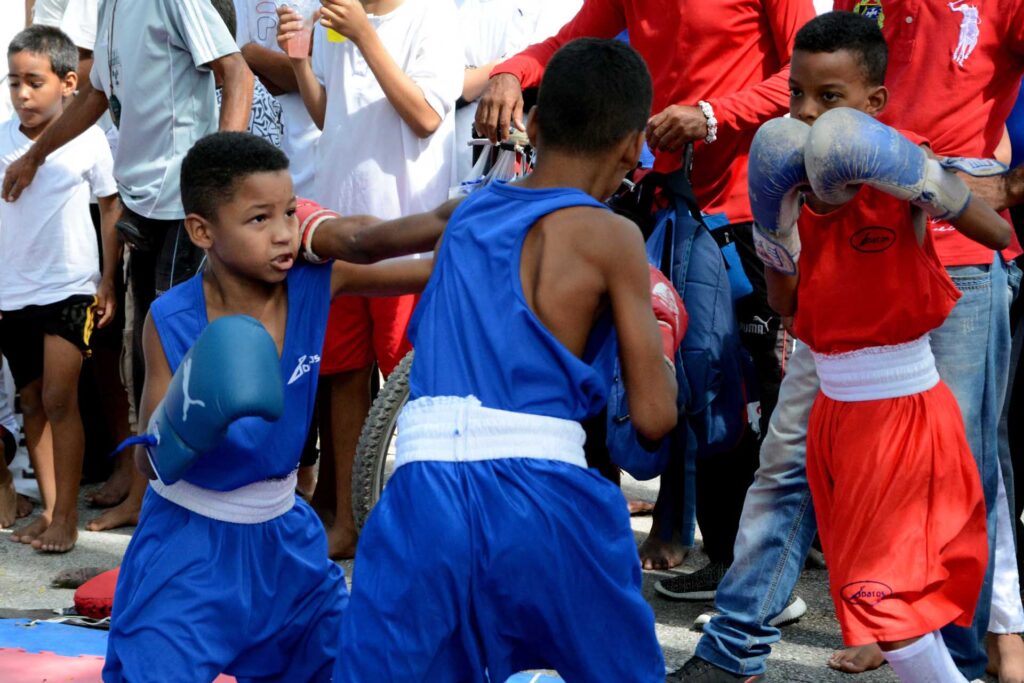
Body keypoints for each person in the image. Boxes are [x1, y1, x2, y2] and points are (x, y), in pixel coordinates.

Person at [681, 7, 1024, 681]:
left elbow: (988, 230)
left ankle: (963, 656)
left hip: (908, 383)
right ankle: (734, 647)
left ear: (873, 102)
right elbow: (789, 305)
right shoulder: (796, 161)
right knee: (827, 531)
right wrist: (779, 232)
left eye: (827, 99)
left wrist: (970, 184)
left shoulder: (902, 157)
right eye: (797, 97)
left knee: (916, 563)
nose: (807, 114)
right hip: (839, 406)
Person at [326, 38, 682, 681]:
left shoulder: (468, 213)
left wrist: (326, 258)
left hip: (421, 490)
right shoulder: (615, 237)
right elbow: (653, 419)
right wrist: (661, 349)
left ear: (534, 125)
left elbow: (369, 242)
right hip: (543, 494)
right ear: (634, 148)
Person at [477, 0, 816, 576]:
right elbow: (568, 43)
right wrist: (510, 72)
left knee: (729, 389)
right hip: (656, 199)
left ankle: (742, 571)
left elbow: (803, 74)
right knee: (625, 366)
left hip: (742, 205)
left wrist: (713, 115)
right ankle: (598, 545)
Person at [105, 131, 435, 682]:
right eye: (259, 220)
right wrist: (190, 417)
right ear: (202, 231)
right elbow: (150, 463)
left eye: (288, 212)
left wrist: (481, 224)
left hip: (286, 541)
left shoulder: (313, 282)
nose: (284, 234)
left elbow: (423, 266)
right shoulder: (172, 318)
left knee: (349, 665)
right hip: (190, 543)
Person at [1, 0, 255, 533]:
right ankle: (147, 497)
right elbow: (95, 95)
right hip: (146, 206)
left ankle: (189, 503)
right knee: (146, 359)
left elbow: (236, 71)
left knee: (177, 356)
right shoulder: (109, 7)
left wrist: (218, 184)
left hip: (186, 205)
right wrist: (36, 154)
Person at [278, 0, 462, 559]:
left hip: (406, 236)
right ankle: (351, 521)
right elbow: (329, 116)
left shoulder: (433, 17)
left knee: (413, 383)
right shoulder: (337, 23)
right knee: (342, 375)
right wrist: (302, 64)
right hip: (341, 233)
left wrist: (363, 36)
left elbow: (427, 115)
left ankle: (420, 526)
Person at [0, 26, 119, 553]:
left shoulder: (88, 139)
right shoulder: (1, 139)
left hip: (70, 288)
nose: (22, 94)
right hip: (11, 293)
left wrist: (109, 278)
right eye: (14, 82)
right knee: (31, 402)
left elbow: (111, 206)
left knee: (59, 397)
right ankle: (49, 510)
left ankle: (67, 516)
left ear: (69, 83)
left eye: (34, 82)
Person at [233, 0, 321, 196]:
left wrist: (253, 54)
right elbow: (233, 74)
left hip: (316, 152)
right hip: (259, 154)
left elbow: (327, 76)